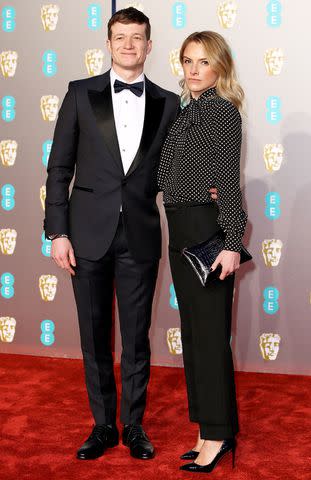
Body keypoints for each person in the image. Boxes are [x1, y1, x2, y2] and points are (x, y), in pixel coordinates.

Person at [44, 7, 181, 461]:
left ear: (148, 45)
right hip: (85, 235)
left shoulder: (168, 102)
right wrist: (57, 233)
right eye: (120, 37)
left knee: (137, 337)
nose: (128, 45)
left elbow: (174, 173)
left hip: (140, 234)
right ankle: (102, 425)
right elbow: (59, 167)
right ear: (108, 43)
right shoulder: (80, 93)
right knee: (94, 332)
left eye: (137, 37)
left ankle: (134, 425)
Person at [158, 31, 247, 473]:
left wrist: (232, 243)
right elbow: (166, 174)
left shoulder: (222, 113)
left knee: (210, 338)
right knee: (193, 337)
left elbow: (227, 182)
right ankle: (206, 429)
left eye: (203, 62)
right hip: (179, 231)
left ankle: (217, 435)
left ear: (220, 68)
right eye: (188, 61)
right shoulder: (186, 111)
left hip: (205, 233)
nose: (194, 70)